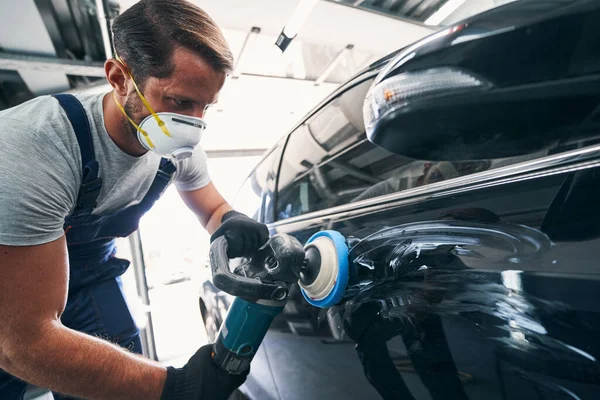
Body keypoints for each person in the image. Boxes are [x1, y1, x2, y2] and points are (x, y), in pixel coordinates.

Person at [0, 1, 268, 399]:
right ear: (119, 77)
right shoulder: (36, 146)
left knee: (120, 372)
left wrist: (230, 221)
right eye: (179, 102)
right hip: (11, 286)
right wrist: (173, 388)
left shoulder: (178, 147)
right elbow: (21, 343)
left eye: (204, 106)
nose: (193, 126)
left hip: (90, 272)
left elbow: (212, 208)